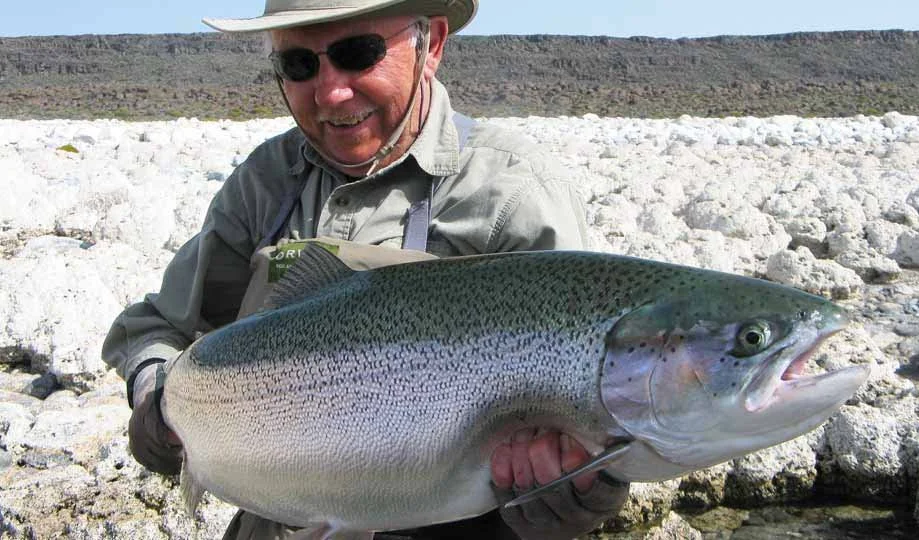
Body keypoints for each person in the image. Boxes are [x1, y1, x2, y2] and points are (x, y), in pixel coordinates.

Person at [102, 0, 630, 538]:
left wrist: (586, 490)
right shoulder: (267, 183)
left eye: (359, 54)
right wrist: (154, 393)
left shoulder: (511, 195)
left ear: (433, 46)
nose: (331, 92)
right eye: (300, 66)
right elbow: (159, 326)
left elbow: (599, 404)